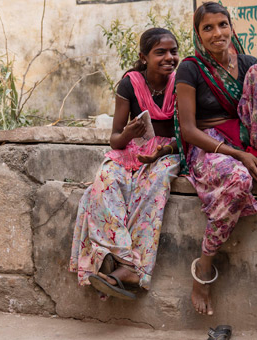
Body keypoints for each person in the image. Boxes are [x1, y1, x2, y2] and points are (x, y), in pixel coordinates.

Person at [173, 1, 257, 318]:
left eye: (223, 25)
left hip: (248, 136)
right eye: (208, 28)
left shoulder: (247, 63)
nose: (218, 33)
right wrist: (237, 154)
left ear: (231, 27)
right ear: (198, 34)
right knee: (240, 180)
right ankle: (205, 264)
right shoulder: (190, 68)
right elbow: (188, 129)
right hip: (211, 145)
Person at [69, 28, 181, 300]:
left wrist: (162, 150)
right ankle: (123, 259)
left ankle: (123, 269)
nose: (169, 57)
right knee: (104, 180)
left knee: (152, 187)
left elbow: (189, 132)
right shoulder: (130, 84)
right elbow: (116, 140)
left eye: (173, 51)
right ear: (143, 57)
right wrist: (130, 133)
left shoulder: (183, 82)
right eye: (160, 52)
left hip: (171, 151)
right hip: (134, 149)